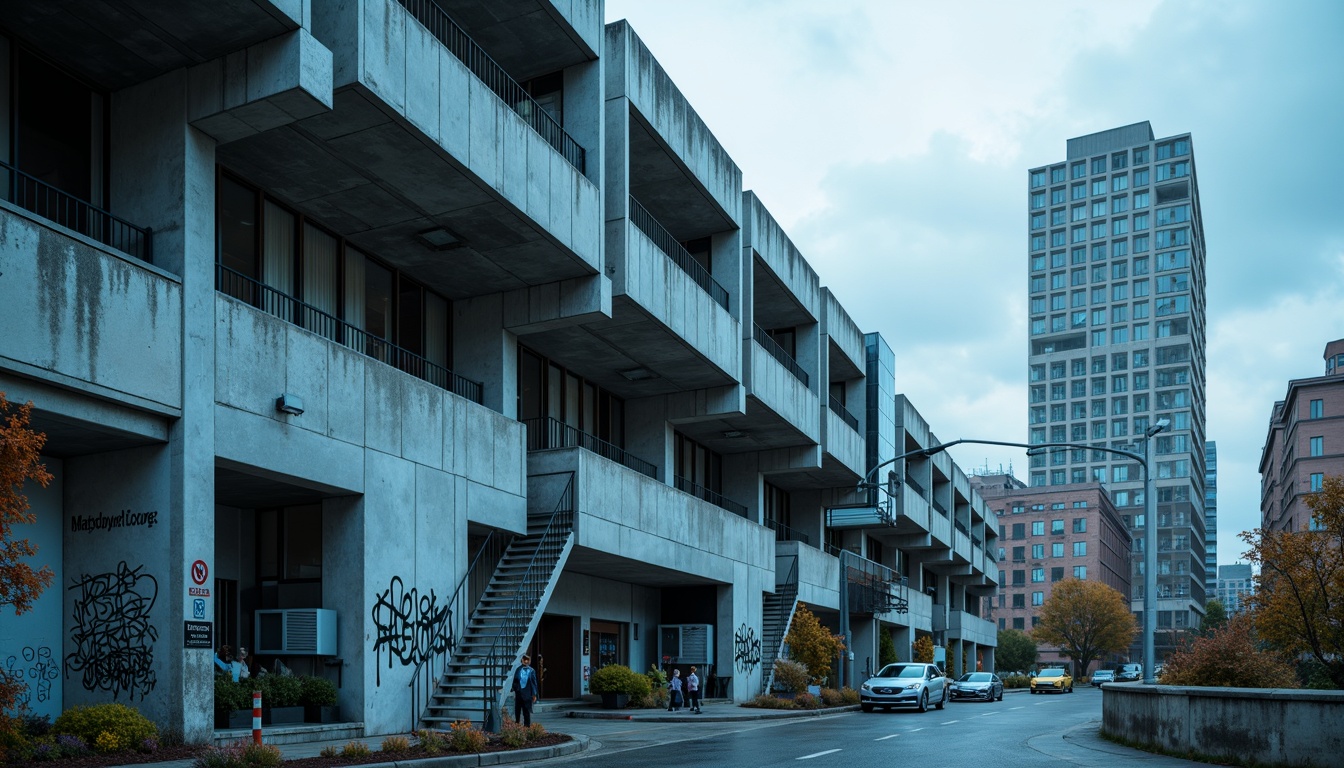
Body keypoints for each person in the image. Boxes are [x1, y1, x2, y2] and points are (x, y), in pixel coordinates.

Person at [512, 655, 539, 726]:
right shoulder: (518, 669)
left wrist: (534, 694)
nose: (526, 661)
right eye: (525, 660)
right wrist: (515, 690)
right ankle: (517, 725)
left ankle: (527, 727)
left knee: (526, 711)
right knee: (517, 711)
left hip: (527, 694)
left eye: (527, 660)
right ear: (522, 660)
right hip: (519, 693)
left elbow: (534, 683)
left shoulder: (531, 671)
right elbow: (515, 681)